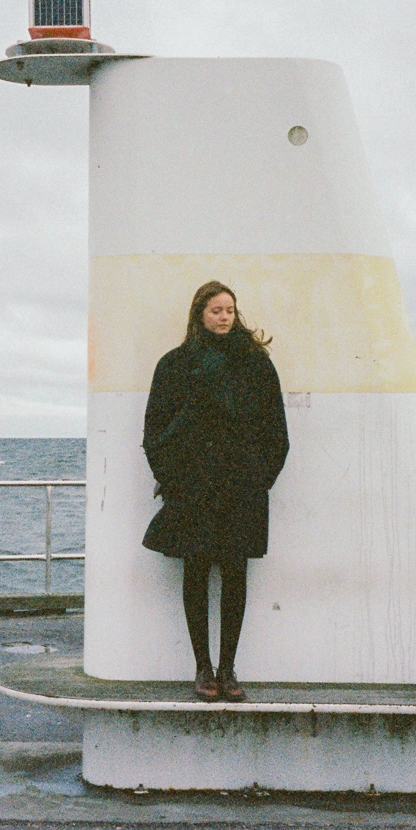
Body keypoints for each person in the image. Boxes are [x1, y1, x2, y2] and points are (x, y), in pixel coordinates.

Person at [141, 281, 289, 702]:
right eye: (215, 311)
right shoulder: (174, 364)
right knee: (196, 572)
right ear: (199, 315)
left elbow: (276, 433)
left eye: (229, 310)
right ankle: (202, 667)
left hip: (241, 488)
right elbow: (154, 431)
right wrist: (171, 479)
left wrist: (259, 478)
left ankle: (228, 668)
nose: (224, 317)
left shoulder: (256, 364)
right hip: (194, 488)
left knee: (236, 576)